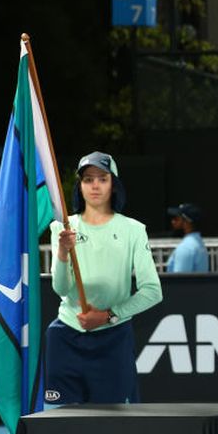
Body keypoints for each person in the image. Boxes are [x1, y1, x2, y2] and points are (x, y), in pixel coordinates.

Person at [47, 152, 162, 406]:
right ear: (80, 186)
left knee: (113, 424)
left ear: (114, 184)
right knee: (65, 425)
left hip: (113, 337)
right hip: (67, 333)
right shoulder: (63, 227)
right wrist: (64, 252)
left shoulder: (133, 229)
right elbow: (60, 288)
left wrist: (109, 314)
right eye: (88, 179)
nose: (95, 185)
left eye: (102, 178)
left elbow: (153, 291)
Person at [165, 203, 209, 272]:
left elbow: (179, 281)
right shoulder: (199, 243)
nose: (172, 221)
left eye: (176, 218)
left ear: (186, 222)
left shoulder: (186, 247)